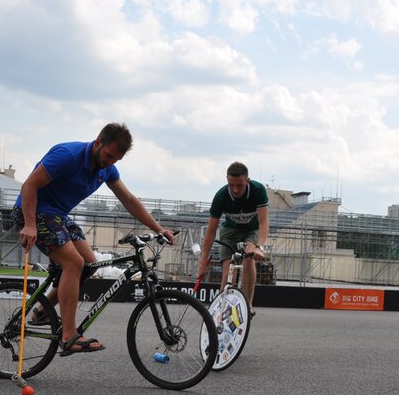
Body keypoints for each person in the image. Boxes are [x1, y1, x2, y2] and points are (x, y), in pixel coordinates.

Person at [14, 123, 174, 356]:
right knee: (73, 263)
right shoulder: (68, 156)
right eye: (108, 156)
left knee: (89, 264)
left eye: (115, 161)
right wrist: (29, 224)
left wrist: (159, 229)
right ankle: (69, 336)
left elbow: (129, 201)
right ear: (98, 142)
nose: (110, 163)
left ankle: (42, 310)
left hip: (58, 216)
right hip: (34, 211)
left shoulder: (106, 169)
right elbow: (29, 185)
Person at [196, 162, 269, 314]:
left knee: (248, 257)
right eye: (231, 185)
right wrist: (204, 260)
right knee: (228, 270)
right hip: (230, 231)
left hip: (251, 229)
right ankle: (222, 308)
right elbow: (210, 231)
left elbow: (263, 222)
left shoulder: (258, 190)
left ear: (247, 181)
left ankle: (247, 306)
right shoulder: (221, 196)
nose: (235, 190)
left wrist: (259, 247)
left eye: (240, 185)